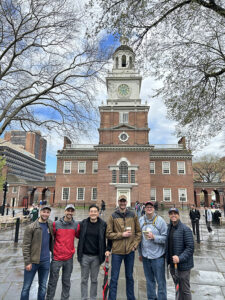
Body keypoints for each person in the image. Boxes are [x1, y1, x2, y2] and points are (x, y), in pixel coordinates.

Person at [106, 195, 141, 300]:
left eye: (124, 201)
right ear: (118, 202)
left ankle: (131, 298)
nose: (122, 203)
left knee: (130, 277)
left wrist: (135, 246)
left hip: (130, 251)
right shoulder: (113, 216)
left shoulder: (133, 215)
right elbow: (108, 234)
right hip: (117, 251)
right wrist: (122, 234)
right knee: (114, 278)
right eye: (121, 201)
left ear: (127, 202)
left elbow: (139, 233)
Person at [77, 204, 111, 300]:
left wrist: (108, 249)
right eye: (91, 211)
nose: (93, 213)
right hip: (84, 256)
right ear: (89, 213)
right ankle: (84, 298)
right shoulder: (83, 223)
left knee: (94, 280)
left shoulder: (103, 224)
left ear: (98, 213)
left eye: (95, 211)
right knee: (84, 279)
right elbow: (77, 234)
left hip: (96, 256)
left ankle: (93, 297)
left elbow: (109, 238)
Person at [46, 204, 80, 300]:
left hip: (69, 258)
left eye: (71, 211)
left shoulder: (76, 225)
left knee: (66, 281)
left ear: (73, 212)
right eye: (68, 210)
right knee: (52, 281)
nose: (70, 212)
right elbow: (51, 237)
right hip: (57, 257)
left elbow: (78, 235)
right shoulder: (56, 224)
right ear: (65, 211)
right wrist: (52, 251)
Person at [20, 205, 53, 300]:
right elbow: (25, 246)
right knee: (26, 287)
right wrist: (27, 262)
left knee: (43, 287)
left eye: (47, 212)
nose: (45, 214)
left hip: (45, 261)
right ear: (40, 212)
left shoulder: (50, 225)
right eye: (44, 211)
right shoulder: (31, 227)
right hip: (33, 262)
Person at [138, 201, 167, 300]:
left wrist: (154, 237)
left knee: (160, 281)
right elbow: (139, 239)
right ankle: (151, 298)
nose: (149, 209)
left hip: (157, 257)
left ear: (154, 208)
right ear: (144, 209)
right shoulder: (141, 220)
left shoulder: (160, 221)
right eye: (147, 207)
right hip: (146, 256)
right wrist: (140, 253)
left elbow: (166, 238)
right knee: (149, 281)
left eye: (151, 207)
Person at [166, 207, 194, 300]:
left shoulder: (185, 229)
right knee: (177, 288)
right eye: (171, 213)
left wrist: (180, 258)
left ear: (178, 215)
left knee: (185, 290)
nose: (173, 215)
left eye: (175, 213)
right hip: (173, 266)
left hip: (183, 266)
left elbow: (190, 248)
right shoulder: (169, 228)